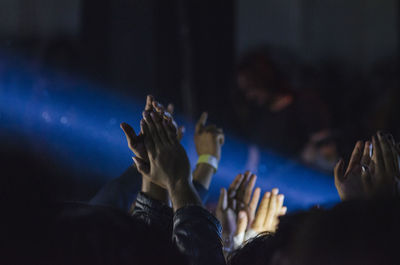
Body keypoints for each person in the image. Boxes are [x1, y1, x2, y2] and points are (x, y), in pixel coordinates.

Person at [232, 49, 337, 171]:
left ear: (264, 78)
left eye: (253, 87)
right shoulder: (257, 116)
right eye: (246, 91)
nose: (250, 95)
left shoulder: (305, 105)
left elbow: (328, 156)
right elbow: (254, 158)